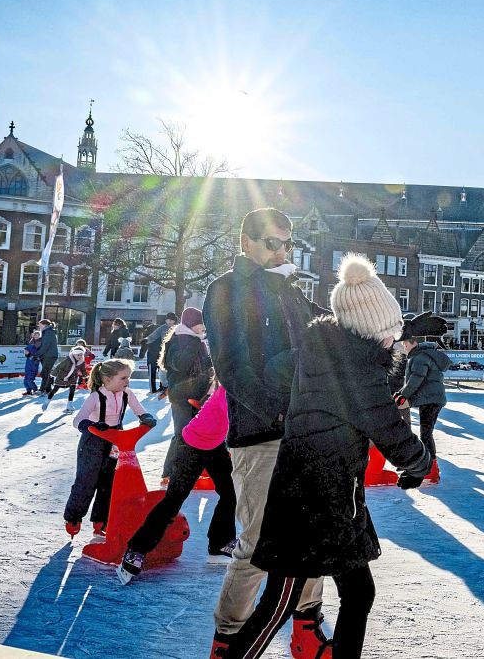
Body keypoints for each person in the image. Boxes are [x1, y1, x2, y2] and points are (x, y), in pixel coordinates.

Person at [220, 253, 432, 659]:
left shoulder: (322, 347)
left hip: (335, 496)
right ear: (366, 331)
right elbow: (389, 429)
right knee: (279, 601)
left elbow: (279, 369)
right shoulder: (357, 370)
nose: (393, 338)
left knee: (359, 592)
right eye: (388, 332)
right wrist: (420, 463)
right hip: (310, 498)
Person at [204, 208, 329, 659]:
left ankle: (307, 629)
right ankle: (227, 639)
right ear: (247, 243)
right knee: (257, 543)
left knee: (313, 535)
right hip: (259, 436)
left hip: (304, 433)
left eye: (287, 243)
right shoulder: (225, 292)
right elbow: (233, 370)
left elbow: (334, 329)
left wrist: (397, 328)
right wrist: (279, 411)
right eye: (272, 243)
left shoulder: (291, 292)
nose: (281, 251)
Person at [119, 308, 237, 583]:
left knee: (230, 493)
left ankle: (220, 543)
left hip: (213, 444)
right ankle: (135, 550)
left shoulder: (228, 387)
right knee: (174, 500)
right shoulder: (229, 391)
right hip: (193, 444)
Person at [62, 359, 157, 537]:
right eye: (123, 378)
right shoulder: (96, 397)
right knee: (86, 482)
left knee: (109, 483)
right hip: (93, 441)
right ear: (107, 379)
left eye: (128, 377)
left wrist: (146, 418)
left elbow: (140, 410)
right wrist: (92, 425)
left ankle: (101, 520)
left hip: (116, 441)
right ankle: (73, 517)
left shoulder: (127, 393)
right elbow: (77, 420)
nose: (127, 381)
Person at [394, 312, 451, 485]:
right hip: (431, 399)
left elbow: (416, 379)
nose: (403, 347)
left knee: (426, 434)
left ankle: (431, 469)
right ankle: (420, 465)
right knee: (425, 433)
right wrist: (402, 393)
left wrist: (403, 394)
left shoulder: (419, 357)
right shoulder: (420, 355)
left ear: (414, 343)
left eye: (405, 343)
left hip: (431, 400)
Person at [160, 309, 214, 485]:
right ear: (192, 324)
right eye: (200, 323)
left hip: (199, 395)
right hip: (182, 396)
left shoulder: (198, 341)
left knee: (197, 434)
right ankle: (169, 472)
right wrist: (193, 343)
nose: (203, 327)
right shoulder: (179, 340)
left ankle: (192, 469)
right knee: (182, 434)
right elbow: (181, 365)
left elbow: (206, 366)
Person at [141, 313, 178, 395]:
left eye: (171, 320)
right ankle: (165, 387)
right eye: (167, 320)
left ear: (174, 321)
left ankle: (172, 389)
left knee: (172, 372)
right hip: (165, 352)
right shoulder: (162, 328)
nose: (169, 322)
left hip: (175, 352)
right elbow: (153, 336)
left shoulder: (178, 328)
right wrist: (146, 340)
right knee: (162, 373)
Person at [48, 340, 91, 407]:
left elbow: (83, 369)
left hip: (73, 377)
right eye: (78, 355)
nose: (79, 356)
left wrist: (84, 377)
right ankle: (48, 400)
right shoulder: (68, 360)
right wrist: (52, 376)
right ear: (74, 354)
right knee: (55, 389)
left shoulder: (81, 361)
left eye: (81, 355)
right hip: (62, 376)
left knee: (72, 390)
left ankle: (69, 404)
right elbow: (58, 367)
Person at [37, 319, 59, 394]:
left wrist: (37, 354)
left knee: (45, 373)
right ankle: (48, 389)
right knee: (47, 372)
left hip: (50, 355)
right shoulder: (47, 332)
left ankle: (42, 389)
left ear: (44, 325)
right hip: (48, 355)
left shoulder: (48, 333)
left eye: (40, 325)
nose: (39, 327)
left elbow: (45, 346)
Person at [23, 331, 43, 396]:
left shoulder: (40, 343)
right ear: (33, 335)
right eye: (35, 335)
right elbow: (26, 350)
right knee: (26, 379)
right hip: (28, 362)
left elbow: (40, 353)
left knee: (30, 379)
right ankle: (28, 391)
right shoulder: (31, 342)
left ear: (40, 336)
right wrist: (26, 353)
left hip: (34, 362)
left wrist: (34, 357)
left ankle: (35, 390)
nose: (36, 336)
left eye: (38, 335)